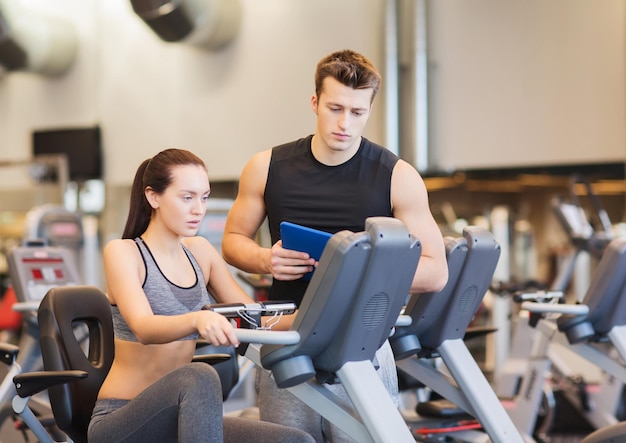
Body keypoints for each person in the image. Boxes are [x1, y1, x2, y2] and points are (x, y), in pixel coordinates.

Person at [222, 49, 448, 442]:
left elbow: (435, 271)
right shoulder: (266, 166)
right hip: (289, 340)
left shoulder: (397, 175)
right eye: (335, 108)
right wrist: (264, 258)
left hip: (363, 344)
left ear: (369, 110)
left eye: (357, 112)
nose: (345, 123)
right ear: (315, 103)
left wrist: (369, 274)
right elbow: (232, 241)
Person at [88, 148, 315, 443]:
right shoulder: (124, 253)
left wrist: (317, 317)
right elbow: (144, 328)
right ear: (153, 197)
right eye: (187, 197)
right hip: (122, 420)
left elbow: (253, 316)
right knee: (199, 374)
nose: (199, 209)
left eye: (204, 197)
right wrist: (198, 319)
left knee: (296, 441)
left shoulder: (200, 252)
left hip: (181, 415)